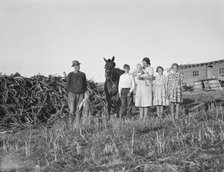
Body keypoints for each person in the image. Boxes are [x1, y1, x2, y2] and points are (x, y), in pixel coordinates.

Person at [66, 60, 87, 128]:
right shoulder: (70, 75)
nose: (78, 67)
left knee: (78, 110)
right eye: (76, 66)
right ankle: (70, 126)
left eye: (78, 65)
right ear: (74, 67)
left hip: (80, 94)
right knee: (72, 110)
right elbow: (67, 85)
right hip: (72, 94)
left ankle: (77, 126)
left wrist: (83, 93)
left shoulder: (82, 74)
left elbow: (85, 85)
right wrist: (72, 92)